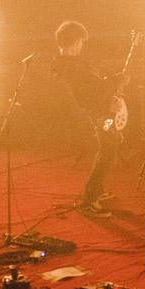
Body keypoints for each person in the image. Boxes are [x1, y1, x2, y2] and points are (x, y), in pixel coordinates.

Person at [51, 21, 127, 218]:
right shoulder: (70, 68)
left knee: (112, 142)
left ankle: (98, 190)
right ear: (74, 42)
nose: (82, 45)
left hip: (102, 113)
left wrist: (113, 82)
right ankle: (89, 199)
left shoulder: (73, 64)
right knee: (108, 148)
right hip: (99, 115)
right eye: (80, 42)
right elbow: (85, 97)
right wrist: (115, 85)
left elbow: (95, 85)